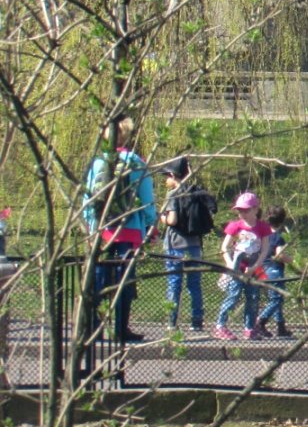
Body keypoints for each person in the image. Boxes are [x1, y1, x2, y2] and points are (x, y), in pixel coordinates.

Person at [83, 115, 158, 343]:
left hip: (102, 230)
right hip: (130, 229)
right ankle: (121, 328)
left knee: (99, 279)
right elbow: (146, 199)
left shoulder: (98, 162)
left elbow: (88, 199)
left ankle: (93, 328)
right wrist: (150, 222)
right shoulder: (135, 162)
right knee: (124, 280)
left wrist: (90, 226)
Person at [158, 156, 217, 333]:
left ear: (172, 175)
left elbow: (173, 220)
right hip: (195, 246)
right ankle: (197, 321)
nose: (165, 181)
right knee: (194, 284)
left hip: (175, 245)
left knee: (174, 283)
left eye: (166, 177)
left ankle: (172, 322)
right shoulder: (196, 191)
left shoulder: (174, 194)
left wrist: (161, 217)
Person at [214, 192, 272, 341]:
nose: (243, 214)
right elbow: (224, 247)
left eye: (246, 210)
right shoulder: (235, 226)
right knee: (233, 295)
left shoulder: (262, 227)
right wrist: (230, 264)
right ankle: (220, 326)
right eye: (240, 210)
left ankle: (249, 328)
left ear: (255, 209)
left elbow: (265, 249)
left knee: (253, 298)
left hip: (253, 268)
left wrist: (255, 267)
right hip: (237, 267)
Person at [255, 206, 292, 338]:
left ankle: (280, 326)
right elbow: (279, 255)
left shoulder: (262, 236)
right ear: (282, 221)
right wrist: (292, 261)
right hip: (274, 271)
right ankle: (260, 321)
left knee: (274, 298)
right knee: (276, 299)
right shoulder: (278, 238)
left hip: (261, 271)